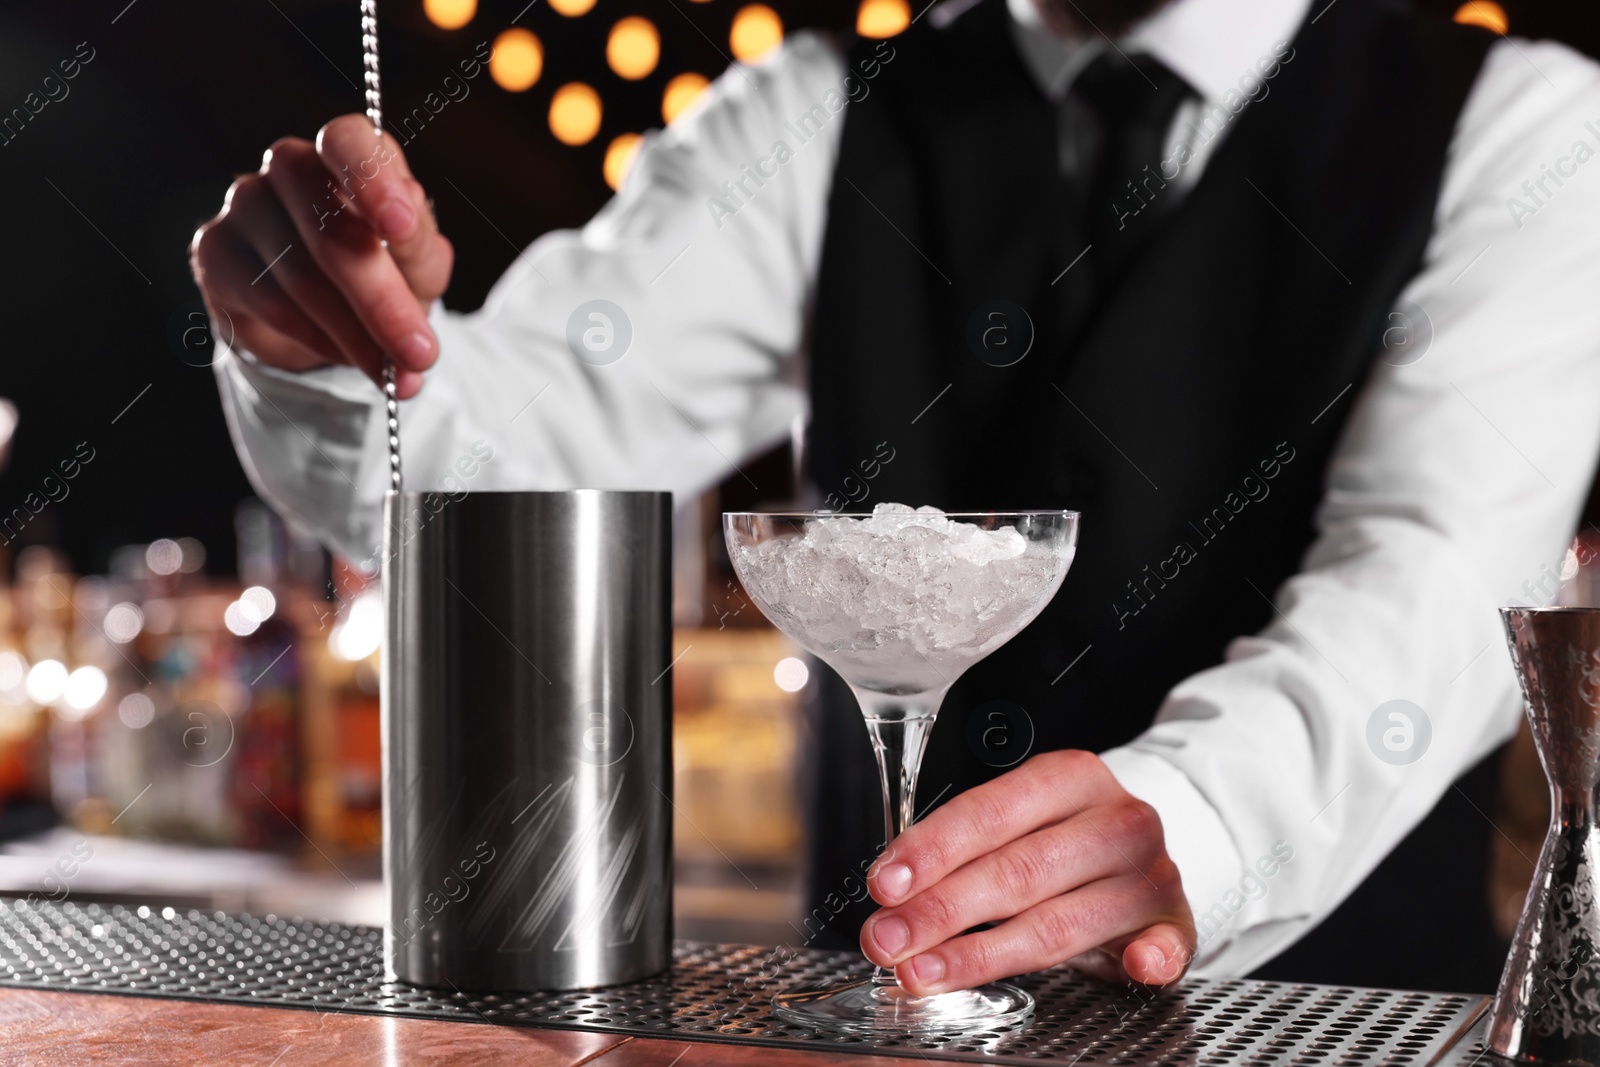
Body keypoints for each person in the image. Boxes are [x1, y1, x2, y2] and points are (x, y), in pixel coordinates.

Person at [192, 0, 1600, 993]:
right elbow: (508, 453)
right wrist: (336, 355)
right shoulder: (818, 113)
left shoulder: (1522, 124)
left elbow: (1433, 580)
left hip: (1332, 1021)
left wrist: (1206, 827)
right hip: (873, 1022)